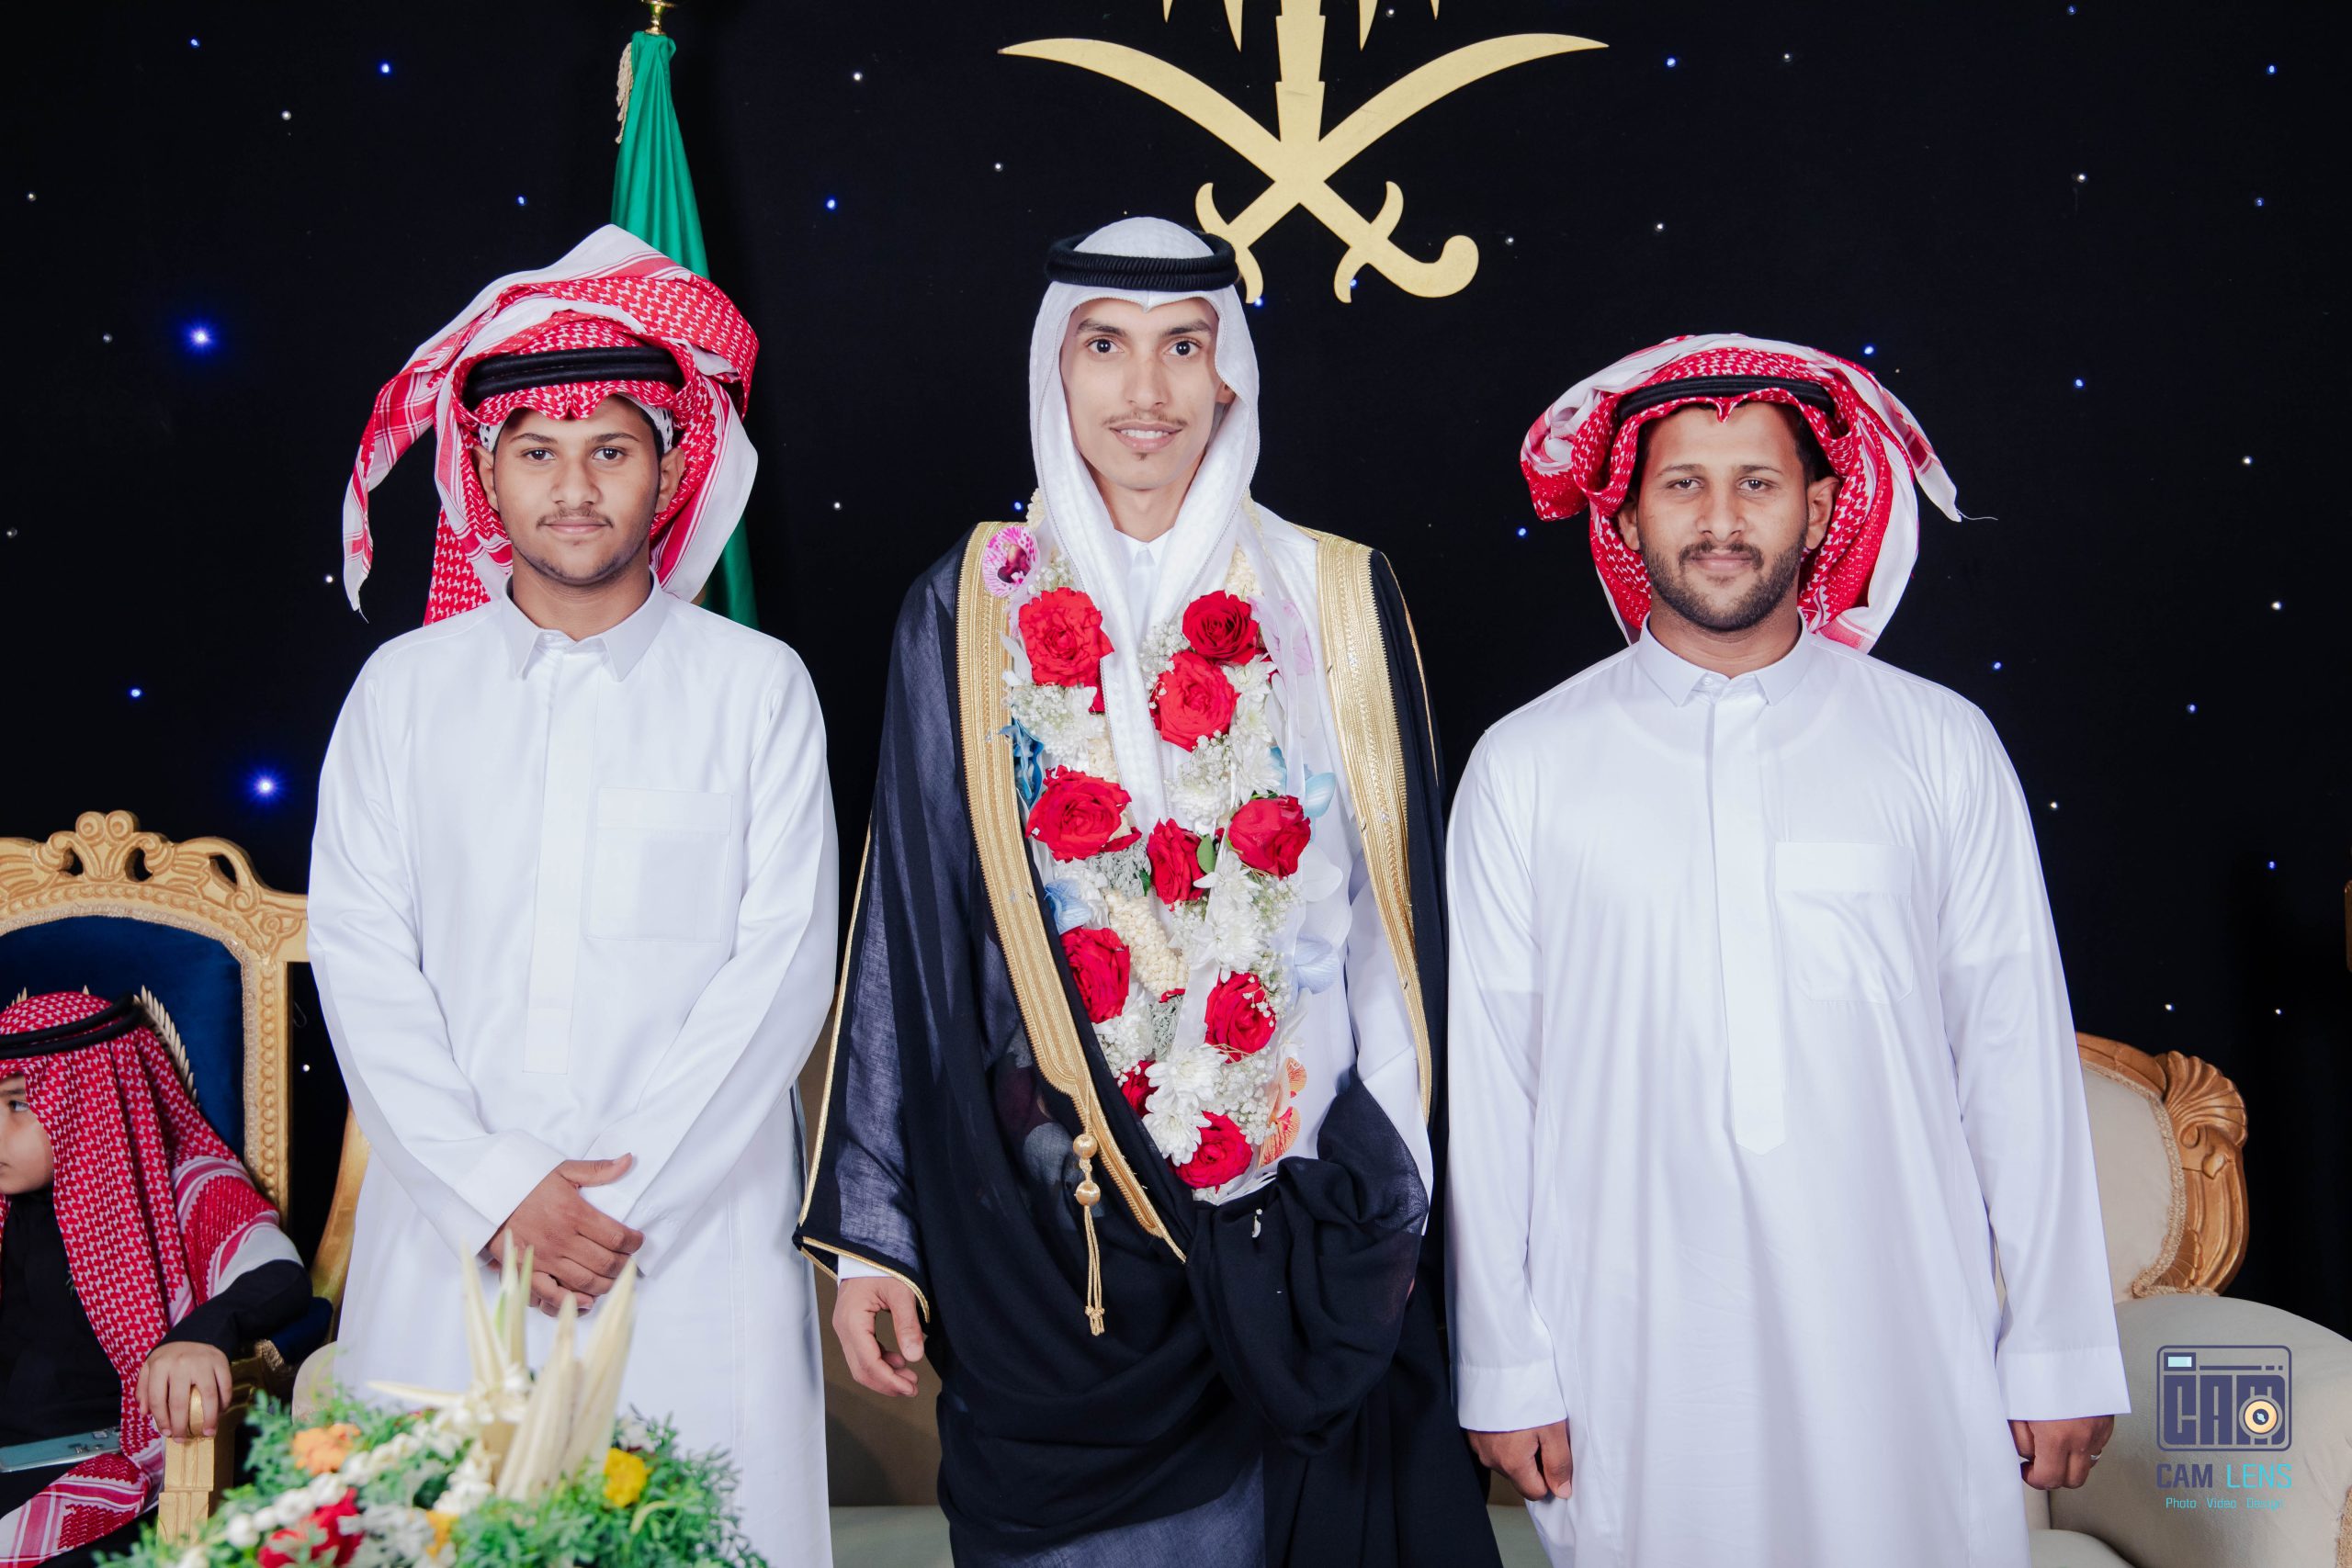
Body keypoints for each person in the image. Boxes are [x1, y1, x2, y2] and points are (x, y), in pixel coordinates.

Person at [796, 219, 1496, 1568]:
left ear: (1231, 373)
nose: (1147, 391)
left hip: (1302, 1222)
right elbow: (910, 934)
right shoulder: (970, 605)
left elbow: (1394, 938)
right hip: (1054, 1246)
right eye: (1104, 346)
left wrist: (1390, 1196)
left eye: (1184, 346)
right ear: (1053, 371)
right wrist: (878, 1238)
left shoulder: (1333, 594)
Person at [1444, 335, 2129, 1567]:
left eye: (1755, 482)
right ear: (1627, 514)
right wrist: (1504, 1360)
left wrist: (2059, 1343)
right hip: (1630, 1342)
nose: (1720, 520)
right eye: (1683, 484)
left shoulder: (1938, 744)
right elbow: (1495, 1087)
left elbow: (2014, 1057)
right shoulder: (1527, 765)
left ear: (1818, 510)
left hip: (1900, 1329)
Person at [311, 226, 837, 1566]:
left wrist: (609, 1210)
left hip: (685, 1244)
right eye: (536, 452)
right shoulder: (403, 695)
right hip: (452, 1239)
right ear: (484, 475)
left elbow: (782, 969)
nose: (575, 488)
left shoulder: (755, 689)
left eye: (611, 450)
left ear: (671, 466)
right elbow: (362, 965)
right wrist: (499, 1191)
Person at [0, 992, 310, 1568]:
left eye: (18, 1103)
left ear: (88, 1098)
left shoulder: (183, 1189)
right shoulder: (8, 1202)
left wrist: (201, 1333)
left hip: (113, 1464)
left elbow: (277, 1273)